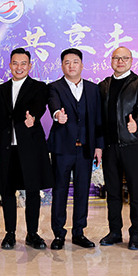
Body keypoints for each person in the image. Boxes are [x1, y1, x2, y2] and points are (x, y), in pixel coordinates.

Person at [0, 48, 54, 250]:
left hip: (31, 149)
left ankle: (32, 234)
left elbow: (39, 106)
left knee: (33, 191)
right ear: (10, 65)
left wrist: (33, 117)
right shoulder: (0, 90)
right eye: (15, 63)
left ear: (30, 66)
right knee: (8, 192)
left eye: (23, 63)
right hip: (7, 149)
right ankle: (9, 234)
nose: (19, 67)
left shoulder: (39, 87)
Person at [47, 48, 103, 250]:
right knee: (60, 191)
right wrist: (57, 115)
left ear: (82, 65)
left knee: (82, 192)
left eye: (75, 62)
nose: (71, 66)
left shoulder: (93, 89)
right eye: (67, 62)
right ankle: (58, 234)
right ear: (62, 66)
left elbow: (98, 120)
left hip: (85, 149)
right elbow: (53, 105)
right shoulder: (54, 87)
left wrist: (99, 146)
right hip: (62, 148)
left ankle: (79, 232)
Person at [98, 46, 138, 250]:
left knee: (135, 191)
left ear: (131, 61)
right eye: (116, 58)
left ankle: (136, 233)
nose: (120, 61)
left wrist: (137, 123)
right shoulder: (103, 85)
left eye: (125, 58)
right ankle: (114, 232)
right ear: (111, 60)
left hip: (131, 145)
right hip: (109, 146)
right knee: (112, 191)